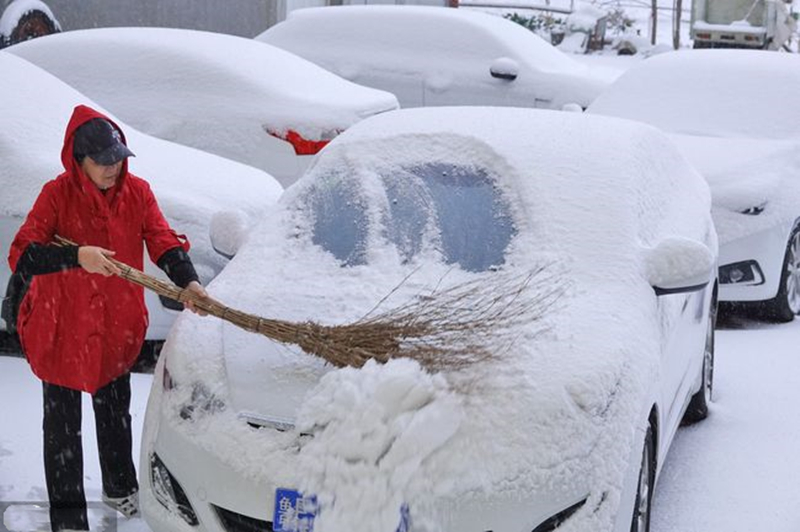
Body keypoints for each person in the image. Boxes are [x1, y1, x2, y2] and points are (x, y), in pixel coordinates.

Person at [7, 105, 209, 532]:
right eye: (103, 160)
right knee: (62, 431)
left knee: (116, 413)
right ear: (78, 160)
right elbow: (22, 254)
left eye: (118, 157)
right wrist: (77, 256)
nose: (113, 167)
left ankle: (120, 490)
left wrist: (187, 281)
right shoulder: (56, 195)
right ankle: (69, 519)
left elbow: (161, 240)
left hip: (115, 328)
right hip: (61, 328)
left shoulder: (137, 193)